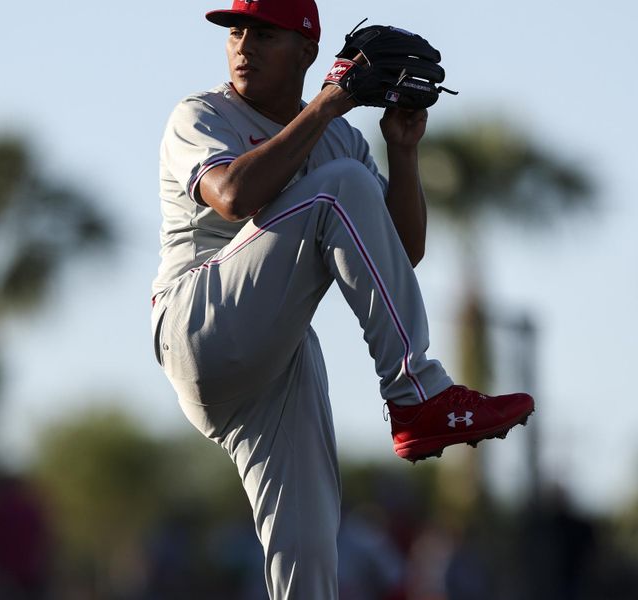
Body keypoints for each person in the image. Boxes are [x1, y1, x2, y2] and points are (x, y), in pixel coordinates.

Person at [150, 1, 534, 598]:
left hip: (275, 358)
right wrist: (331, 101)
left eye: (264, 33)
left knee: (309, 554)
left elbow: (399, 253)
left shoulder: (340, 142)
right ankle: (416, 395)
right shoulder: (203, 113)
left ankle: (415, 400)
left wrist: (402, 152)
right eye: (236, 31)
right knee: (340, 190)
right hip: (198, 319)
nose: (242, 45)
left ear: (307, 52)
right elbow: (231, 194)